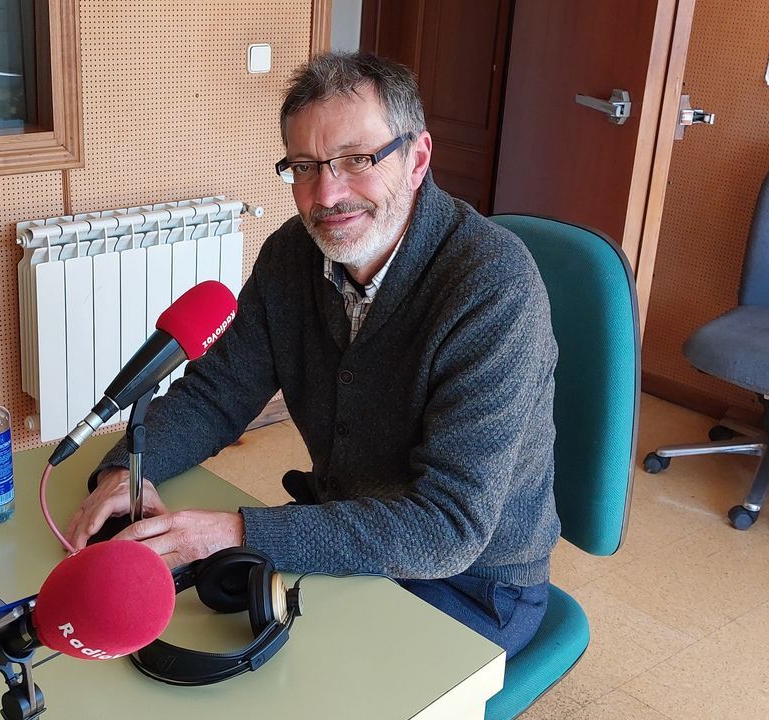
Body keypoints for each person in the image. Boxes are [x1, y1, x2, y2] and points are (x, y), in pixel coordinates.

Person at [66, 52, 560, 656]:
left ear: (417, 159)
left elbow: (448, 528)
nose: (327, 193)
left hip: (470, 586)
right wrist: (128, 470)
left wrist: (239, 531)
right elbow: (218, 392)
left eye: (357, 160)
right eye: (304, 166)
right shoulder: (292, 256)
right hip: (349, 533)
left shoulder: (492, 284)